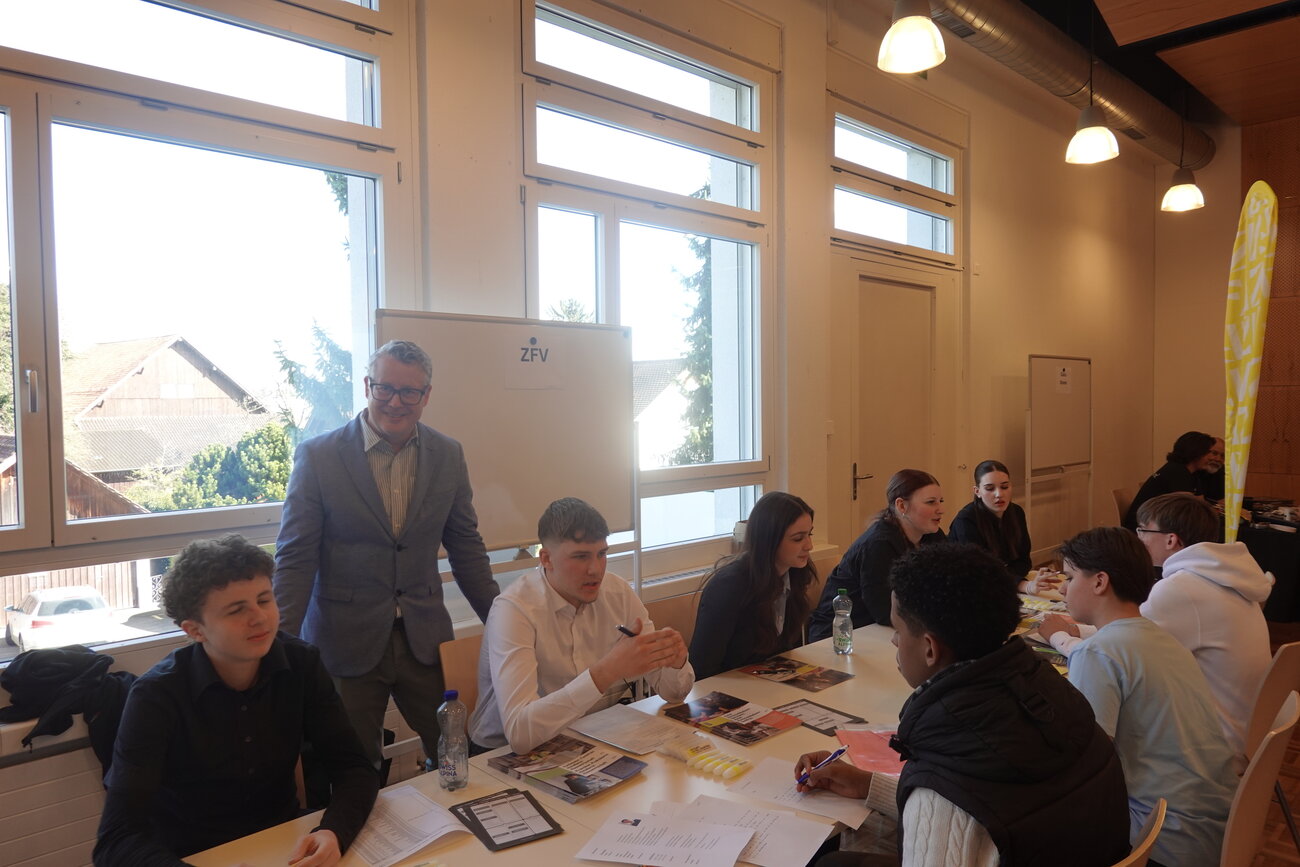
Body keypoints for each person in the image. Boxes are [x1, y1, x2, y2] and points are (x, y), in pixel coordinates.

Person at [794, 543, 1129, 867]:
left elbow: (958, 808)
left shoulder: (947, 771)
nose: (895, 640)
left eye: (898, 630)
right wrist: (871, 786)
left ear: (930, 648)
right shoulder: (1050, 694)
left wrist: (923, 794)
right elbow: (1001, 808)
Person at [273, 339, 501, 771]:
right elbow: (296, 558)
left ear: (426, 395)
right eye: (385, 388)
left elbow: (466, 547)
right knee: (353, 765)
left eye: (409, 392)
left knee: (455, 753)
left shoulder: (448, 455)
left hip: (423, 638)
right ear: (367, 386)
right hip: (344, 640)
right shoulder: (319, 456)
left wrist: (503, 619)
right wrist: (278, 646)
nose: (396, 402)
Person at [95, 535, 378, 866]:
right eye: (236, 610)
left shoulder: (302, 664)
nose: (259, 617)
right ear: (195, 630)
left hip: (283, 841)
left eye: (264, 599)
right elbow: (116, 839)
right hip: (190, 855)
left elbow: (354, 767)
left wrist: (333, 832)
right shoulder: (156, 696)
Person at [1042, 493, 1272, 768]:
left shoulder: (1181, 589)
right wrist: (1077, 630)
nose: (1138, 538)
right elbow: (1127, 633)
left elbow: (1115, 651)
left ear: (1171, 539)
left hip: (1211, 747)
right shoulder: (1223, 576)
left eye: (1142, 530)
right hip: (1247, 729)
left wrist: (1060, 636)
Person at [1051, 527, 1238, 867]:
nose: (1063, 588)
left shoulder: (1098, 652)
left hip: (1164, 841)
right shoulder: (1163, 639)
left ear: (1099, 582)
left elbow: (1086, 768)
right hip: (1219, 826)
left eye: (1070, 577)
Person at [468, 498, 693, 752]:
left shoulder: (617, 592)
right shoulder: (514, 609)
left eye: (602, 554)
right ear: (546, 559)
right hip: (499, 752)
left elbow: (673, 694)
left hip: (589, 735)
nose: (595, 570)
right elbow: (519, 734)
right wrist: (607, 670)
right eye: (581, 557)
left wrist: (675, 663)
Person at [688, 491, 818, 678]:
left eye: (809, 534)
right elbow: (702, 669)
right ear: (769, 540)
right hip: (730, 686)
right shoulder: (728, 587)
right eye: (798, 538)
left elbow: (785, 653)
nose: (809, 545)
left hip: (768, 681)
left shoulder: (794, 573)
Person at [808, 470, 945, 641]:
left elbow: (946, 585)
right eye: (931, 502)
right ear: (901, 506)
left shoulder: (932, 536)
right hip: (840, 635)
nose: (941, 510)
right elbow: (884, 610)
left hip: (879, 630)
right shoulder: (878, 544)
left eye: (941, 501)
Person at [947, 460, 1061, 595]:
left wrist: (1012, 580)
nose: (999, 494)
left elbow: (1023, 561)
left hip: (1000, 584)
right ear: (977, 491)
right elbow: (978, 572)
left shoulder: (1016, 512)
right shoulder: (966, 520)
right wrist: (1023, 585)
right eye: (990, 488)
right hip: (965, 588)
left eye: (1004, 487)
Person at [1122, 430, 1217, 529]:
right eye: (1208, 453)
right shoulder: (1177, 472)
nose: (1211, 458)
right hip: (1144, 528)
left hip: (1157, 523)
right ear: (1196, 453)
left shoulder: (1191, 473)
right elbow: (1189, 512)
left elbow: (1201, 505)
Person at [1195, 436, 1226, 503]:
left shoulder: (1221, 471)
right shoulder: (1193, 469)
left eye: (1222, 456)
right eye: (1214, 453)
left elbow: (1220, 500)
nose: (1218, 459)